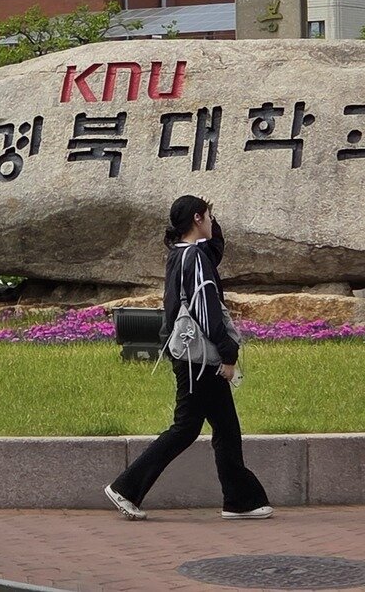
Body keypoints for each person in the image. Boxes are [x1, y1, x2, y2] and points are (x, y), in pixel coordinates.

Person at [104, 195, 272, 521]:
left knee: (222, 428)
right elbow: (205, 309)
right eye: (208, 216)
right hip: (199, 358)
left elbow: (215, 249)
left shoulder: (182, 254)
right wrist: (228, 352)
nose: (211, 221)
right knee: (187, 428)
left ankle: (241, 500)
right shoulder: (193, 258)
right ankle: (126, 488)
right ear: (197, 219)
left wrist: (211, 220)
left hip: (189, 354)